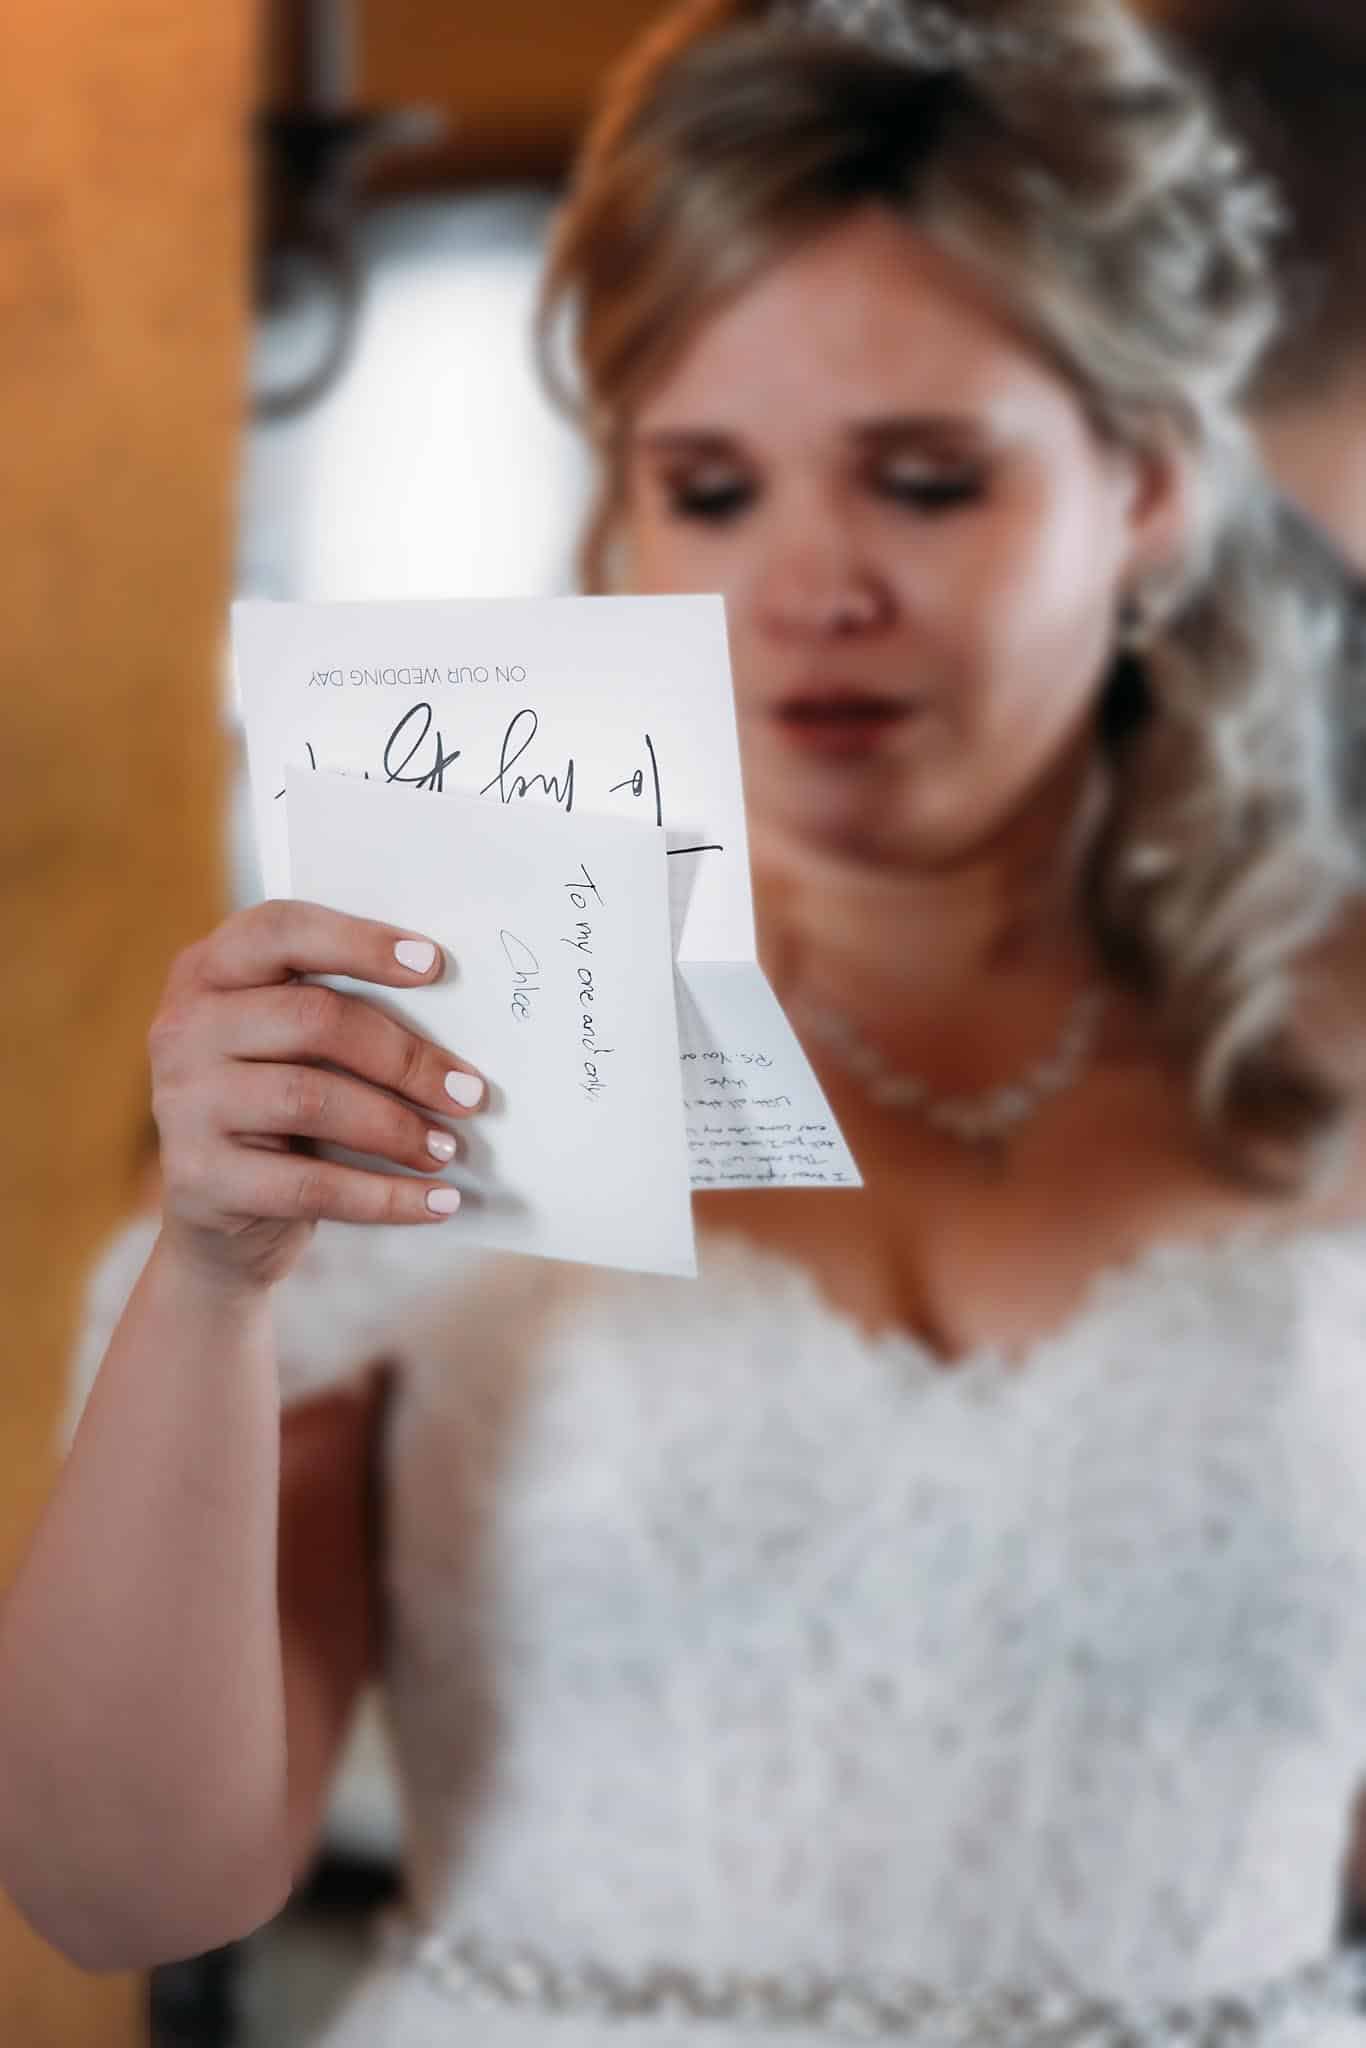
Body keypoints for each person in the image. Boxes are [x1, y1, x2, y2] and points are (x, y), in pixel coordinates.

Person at [5, 0, 1366, 2040]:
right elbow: (121, 1882)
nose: (805, 581)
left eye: (921, 480)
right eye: (708, 487)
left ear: (1149, 490)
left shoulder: (1344, 1038)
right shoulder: (423, 1029)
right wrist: (214, 1279)